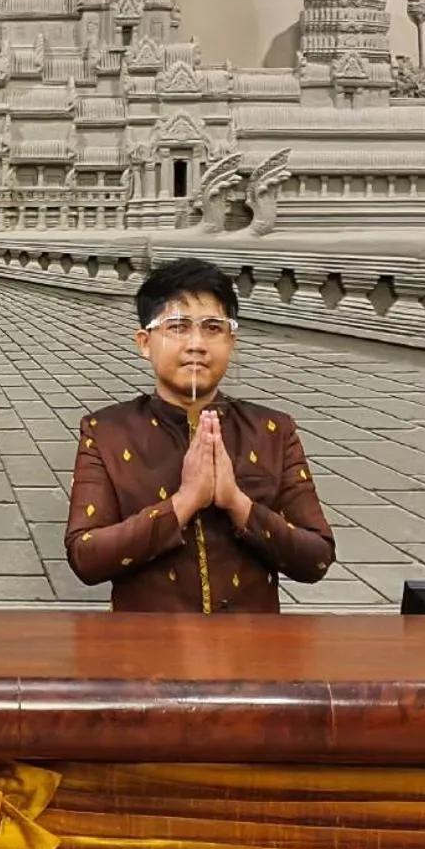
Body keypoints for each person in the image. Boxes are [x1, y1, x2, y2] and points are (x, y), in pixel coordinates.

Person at [65, 257, 334, 613]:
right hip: (142, 652)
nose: (197, 344)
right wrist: (184, 502)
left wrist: (237, 503)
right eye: (178, 326)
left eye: (212, 327)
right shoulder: (106, 432)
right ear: (145, 342)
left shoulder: (273, 430)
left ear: (231, 342)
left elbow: (317, 558)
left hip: (255, 651)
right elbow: (85, 557)